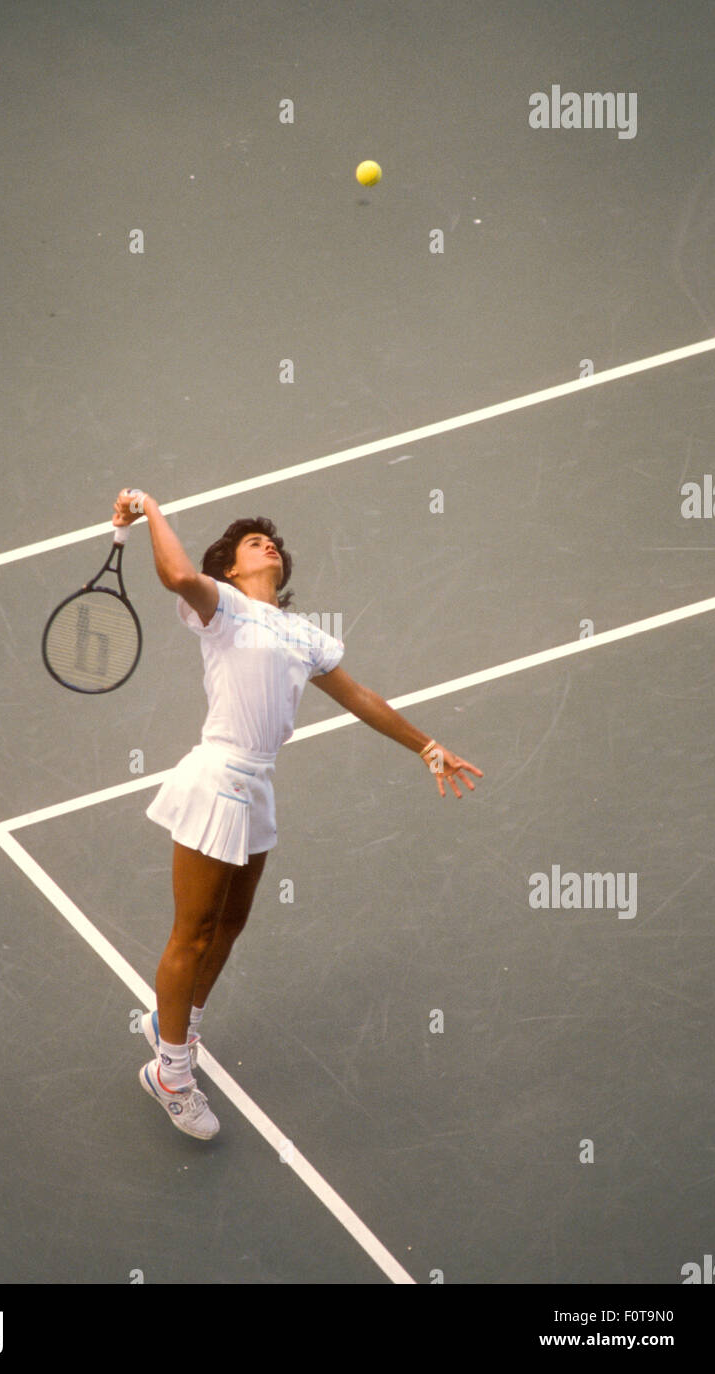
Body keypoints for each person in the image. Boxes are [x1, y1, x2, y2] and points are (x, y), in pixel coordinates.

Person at [112, 488, 483, 1140]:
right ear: (229, 568)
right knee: (192, 931)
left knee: (229, 925)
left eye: (273, 542)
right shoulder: (219, 609)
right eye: (255, 542)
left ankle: (177, 1024)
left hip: (256, 789)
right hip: (216, 779)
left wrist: (425, 744)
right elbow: (173, 573)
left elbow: (358, 695)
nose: (271, 546)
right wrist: (151, 508)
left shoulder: (302, 634)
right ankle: (169, 1071)